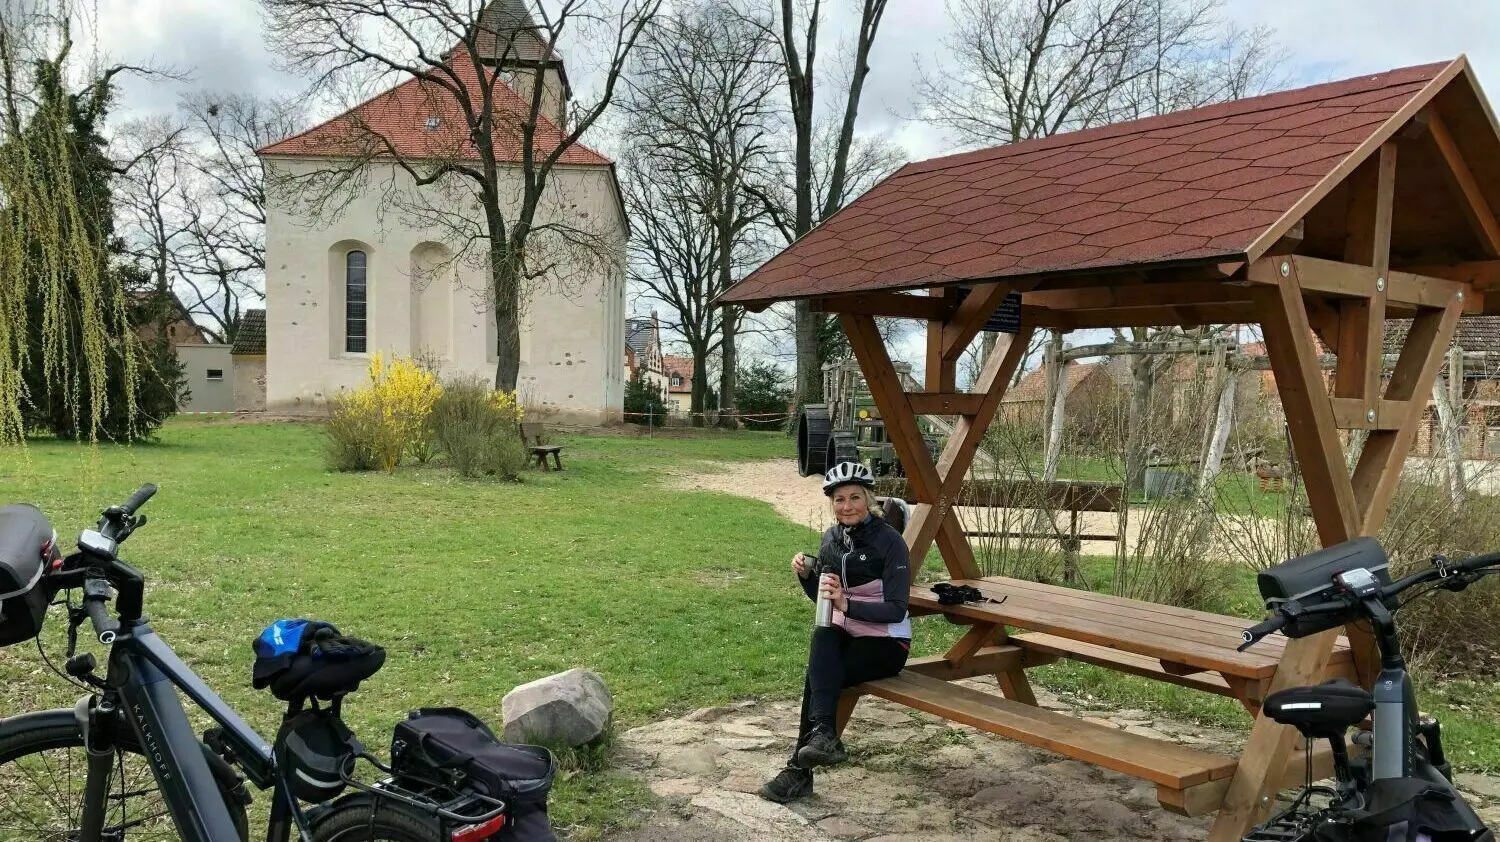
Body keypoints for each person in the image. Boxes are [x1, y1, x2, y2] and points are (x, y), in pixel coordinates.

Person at [759, 461, 911, 803]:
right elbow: (823, 600)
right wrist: (806, 577)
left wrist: (847, 605)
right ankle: (823, 735)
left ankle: (800, 770)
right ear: (832, 503)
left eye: (855, 497)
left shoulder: (890, 543)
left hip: (887, 643)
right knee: (823, 639)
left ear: (869, 499)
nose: (847, 506)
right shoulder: (831, 539)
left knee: (820, 675)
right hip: (844, 635)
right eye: (839, 499)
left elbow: (897, 608)